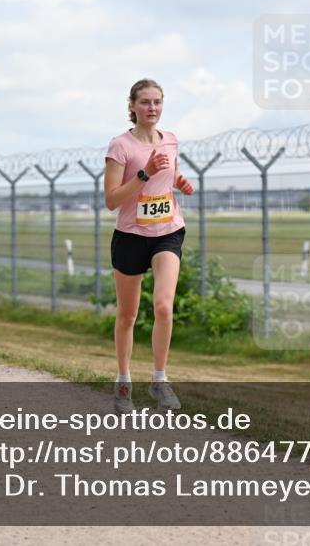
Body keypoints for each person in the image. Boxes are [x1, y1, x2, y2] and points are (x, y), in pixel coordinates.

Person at [104, 80, 194, 412]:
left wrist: (179, 182)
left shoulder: (170, 140)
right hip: (130, 236)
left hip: (167, 231)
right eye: (145, 102)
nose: (152, 108)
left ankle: (159, 380)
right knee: (127, 315)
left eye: (157, 102)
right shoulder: (120, 147)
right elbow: (112, 200)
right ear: (132, 106)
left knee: (164, 307)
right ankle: (124, 382)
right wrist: (143, 174)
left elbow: (168, 177)